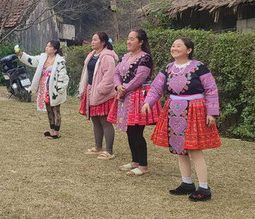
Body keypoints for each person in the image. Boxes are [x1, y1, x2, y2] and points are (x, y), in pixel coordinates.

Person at [142, 38, 221, 201]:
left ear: (189, 50)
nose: (174, 48)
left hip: (195, 109)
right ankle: (186, 183)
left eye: (179, 46)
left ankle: (204, 188)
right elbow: (157, 87)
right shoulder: (168, 68)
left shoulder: (199, 67)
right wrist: (148, 102)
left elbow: (211, 89)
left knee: (194, 149)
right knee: (179, 148)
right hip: (174, 110)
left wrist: (211, 112)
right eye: (173, 46)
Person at [107, 29, 161, 175]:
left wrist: (124, 89)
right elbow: (116, 73)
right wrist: (118, 86)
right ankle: (135, 161)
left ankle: (143, 165)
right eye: (128, 38)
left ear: (141, 42)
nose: (128, 41)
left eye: (132, 39)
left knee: (137, 130)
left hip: (138, 96)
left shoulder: (145, 58)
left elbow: (140, 78)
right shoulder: (126, 57)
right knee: (130, 130)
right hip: (125, 96)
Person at [79, 32, 119, 160]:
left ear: (103, 42)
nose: (92, 42)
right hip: (91, 90)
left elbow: (109, 76)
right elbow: (86, 73)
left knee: (105, 120)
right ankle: (98, 146)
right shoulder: (92, 55)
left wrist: (100, 89)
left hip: (102, 93)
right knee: (95, 120)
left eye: (95, 40)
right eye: (92, 39)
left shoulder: (107, 57)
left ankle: (109, 150)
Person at [17, 40, 69, 139]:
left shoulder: (60, 61)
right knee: (48, 109)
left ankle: (56, 132)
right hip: (44, 87)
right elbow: (31, 60)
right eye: (47, 46)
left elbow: (63, 76)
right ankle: (51, 129)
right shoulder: (43, 57)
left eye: (49, 47)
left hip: (54, 88)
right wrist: (21, 54)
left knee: (56, 110)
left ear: (55, 50)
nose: (47, 48)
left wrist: (60, 89)